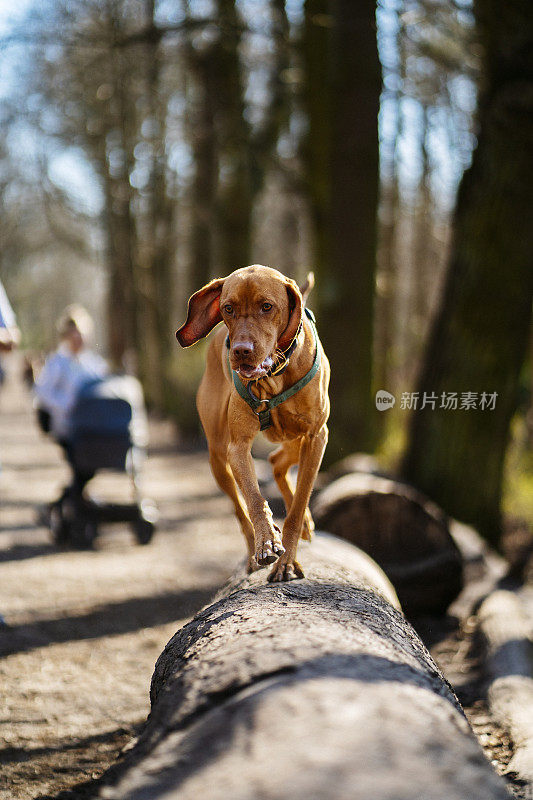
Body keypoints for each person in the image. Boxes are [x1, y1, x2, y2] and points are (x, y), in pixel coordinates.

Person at [35, 304, 108, 496]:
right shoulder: (57, 362)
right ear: (66, 335)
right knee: (81, 464)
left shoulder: (94, 364)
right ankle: (72, 500)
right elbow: (43, 393)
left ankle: (75, 498)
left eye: (81, 333)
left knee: (91, 465)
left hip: (92, 426)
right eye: (73, 334)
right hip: (68, 426)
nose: (78, 338)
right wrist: (67, 404)